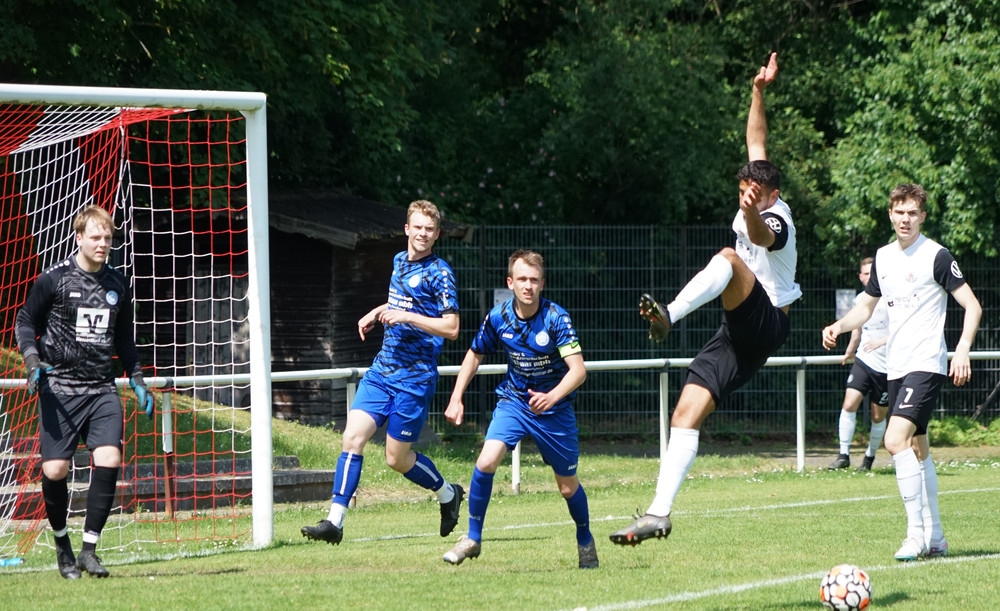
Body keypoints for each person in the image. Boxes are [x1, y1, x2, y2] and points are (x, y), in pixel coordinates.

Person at [610, 52, 800, 547]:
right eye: (743, 188)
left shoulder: (777, 219)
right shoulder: (757, 188)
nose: (746, 194)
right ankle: (658, 513)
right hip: (738, 333)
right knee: (684, 414)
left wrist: (751, 211)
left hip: (769, 323)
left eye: (755, 191)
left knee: (728, 258)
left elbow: (759, 237)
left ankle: (668, 314)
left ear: (772, 194)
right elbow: (756, 141)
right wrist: (758, 90)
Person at [823, 183, 981, 561]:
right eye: (900, 212)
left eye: (912, 213)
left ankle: (914, 536)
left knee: (895, 441)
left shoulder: (937, 256)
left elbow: (973, 306)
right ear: (890, 214)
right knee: (917, 449)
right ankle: (937, 536)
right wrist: (840, 326)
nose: (906, 219)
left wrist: (962, 349)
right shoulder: (882, 257)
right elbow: (867, 307)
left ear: (922, 216)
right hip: (896, 366)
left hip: (925, 364)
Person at [301, 199, 464, 547]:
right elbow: (402, 302)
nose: (422, 233)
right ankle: (334, 521)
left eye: (429, 229)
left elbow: (451, 327)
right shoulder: (399, 261)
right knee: (352, 438)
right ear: (407, 229)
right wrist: (376, 312)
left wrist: (406, 318)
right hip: (382, 371)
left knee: (396, 459)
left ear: (437, 235)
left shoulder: (440, 273)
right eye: (417, 227)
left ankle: (448, 494)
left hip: (414, 378)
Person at [15, 204, 155, 579]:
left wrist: (137, 379)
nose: (102, 243)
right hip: (59, 387)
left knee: (109, 458)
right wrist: (32, 361)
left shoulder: (118, 285)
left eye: (107, 237)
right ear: (79, 238)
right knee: (55, 469)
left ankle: (89, 551)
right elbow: (25, 321)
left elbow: (124, 339)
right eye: (95, 236)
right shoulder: (55, 279)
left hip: (100, 389)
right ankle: (63, 548)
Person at [442, 250, 597, 568]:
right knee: (486, 461)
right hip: (514, 402)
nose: (528, 286)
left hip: (554, 411)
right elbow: (474, 354)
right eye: (522, 279)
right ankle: (472, 538)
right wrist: (456, 397)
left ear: (542, 284)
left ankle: (585, 539)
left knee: (567, 486)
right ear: (510, 282)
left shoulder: (556, 318)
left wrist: (552, 396)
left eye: (534, 280)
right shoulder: (498, 317)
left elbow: (578, 371)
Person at [827, 258, 889, 471]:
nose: (869, 277)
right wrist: (849, 351)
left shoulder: (890, 298)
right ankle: (843, 455)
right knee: (849, 404)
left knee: (878, 416)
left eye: (872, 272)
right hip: (864, 360)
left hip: (886, 366)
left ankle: (869, 457)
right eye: (865, 273)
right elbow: (857, 329)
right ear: (860, 277)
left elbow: (903, 330)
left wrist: (881, 342)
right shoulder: (860, 300)